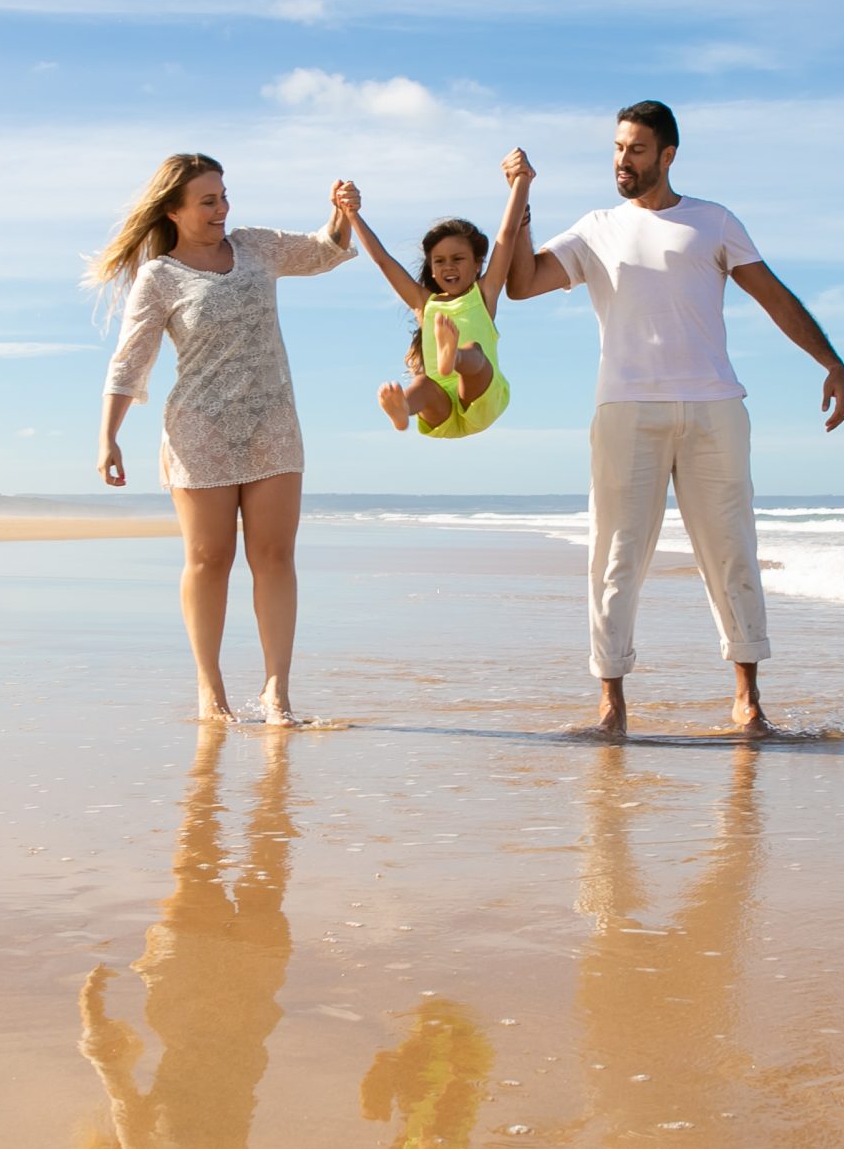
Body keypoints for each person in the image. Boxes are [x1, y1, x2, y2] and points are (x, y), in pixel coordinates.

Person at [504, 101, 844, 736]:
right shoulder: (597, 227)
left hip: (715, 407)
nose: (622, 162)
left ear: (667, 155)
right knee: (615, 557)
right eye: (616, 149)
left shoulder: (713, 221)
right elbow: (522, 284)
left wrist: (830, 360)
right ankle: (612, 705)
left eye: (635, 150)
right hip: (626, 408)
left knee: (731, 553)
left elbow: (771, 294)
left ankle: (748, 702)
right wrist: (521, 208)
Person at [92, 154, 357, 724]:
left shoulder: (256, 247)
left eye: (224, 196)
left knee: (274, 556)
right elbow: (131, 359)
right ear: (175, 210)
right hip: (200, 430)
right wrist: (108, 437)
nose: (222, 209)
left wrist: (341, 213)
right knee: (210, 559)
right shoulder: (160, 276)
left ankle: (276, 693)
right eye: (208, 201)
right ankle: (210, 691)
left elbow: (322, 251)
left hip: (272, 425)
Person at [345, 157, 534, 438]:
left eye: (458, 259)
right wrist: (351, 214)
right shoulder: (424, 304)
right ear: (431, 269)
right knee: (422, 383)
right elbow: (383, 260)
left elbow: (506, 233)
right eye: (440, 261)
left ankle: (455, 355)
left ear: (478, 264)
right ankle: (403, 409)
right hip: (441, 407)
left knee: (475, 352)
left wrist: (522, 181)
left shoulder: (484, 293)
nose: (449, 267)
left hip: (480, 398)